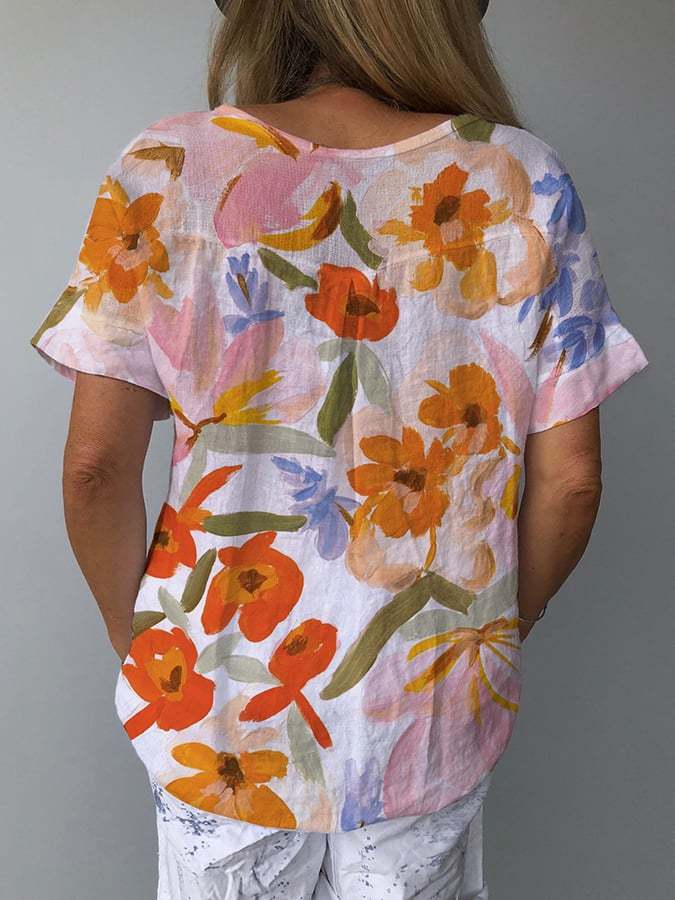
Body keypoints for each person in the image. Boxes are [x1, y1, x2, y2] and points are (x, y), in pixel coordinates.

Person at [29, 1, 649, 897]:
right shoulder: (521, 177)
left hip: (215, 703)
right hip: (426, 708)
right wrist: (493, 633)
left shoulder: (169, 168)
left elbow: (94, 470)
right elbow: (573, 484)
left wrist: (140, 646)